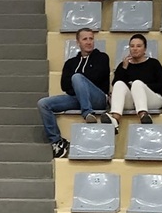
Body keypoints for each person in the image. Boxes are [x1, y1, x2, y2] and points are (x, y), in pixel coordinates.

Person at [37, 28, 110, 159]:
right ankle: (57, 142)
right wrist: (79, 88)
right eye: (85, 39)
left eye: (91, 38)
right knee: (43, 103)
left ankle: (87, 112)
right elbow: (64, 85)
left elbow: (98, 78)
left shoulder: (102, 58)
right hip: (78, 98)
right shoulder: (70, 63)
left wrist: (80, 82)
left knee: (76, 77)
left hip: (98, 99)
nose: (88, 42)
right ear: (78, 42)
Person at [100, 33, 162, 133]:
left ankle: (144, 115)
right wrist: (124, 68)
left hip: (153, 99)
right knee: (119, 84)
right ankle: (115, 118)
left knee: (137, 83)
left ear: (145, 49)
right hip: (132, 101)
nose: (135, 49)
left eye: (139, 46)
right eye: (132, 46)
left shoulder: (154, 63)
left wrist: (142, 86)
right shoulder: (123, 65)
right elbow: (115, 84)